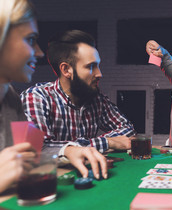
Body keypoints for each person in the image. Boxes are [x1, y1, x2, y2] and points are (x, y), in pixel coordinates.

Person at [0, 0, 107, 194]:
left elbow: (32, 155)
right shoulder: (33, 96)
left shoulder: (11, 98)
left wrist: (68, 150)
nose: (40, 53)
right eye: (31, 40)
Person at [21, 30, 136, 154]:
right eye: (91, 66)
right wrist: (107, 142)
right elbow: (39, 149)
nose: (99, 74)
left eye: (98, 66)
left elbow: (128, 130)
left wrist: (86, 146)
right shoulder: (36, 97)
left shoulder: (97, 99)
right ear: (66, 70)